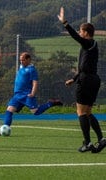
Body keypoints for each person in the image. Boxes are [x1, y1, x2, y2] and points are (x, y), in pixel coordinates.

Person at [58, 7, 106, 153]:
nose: (79, 33)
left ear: (86, 33)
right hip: (93, 79)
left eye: (81, 31)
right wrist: (74, 78)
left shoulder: (88, 43)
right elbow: (84, 66)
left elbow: (76, 37)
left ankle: (88, 143)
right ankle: (102, 139)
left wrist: (65, 23)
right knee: (89, 111)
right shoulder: (93, 45)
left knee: (81, 112)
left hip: (86, 81)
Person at [3, 52, 63, 129]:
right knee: (9, 110)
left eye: (23, 60)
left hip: (26, 94)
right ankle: (5, 129)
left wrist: (32, 93)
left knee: (36, 112)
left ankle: (50, 103)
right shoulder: (21, 66)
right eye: (20, 60)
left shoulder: (32, 70)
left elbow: (35, 82)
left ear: (28, 60)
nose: (21, 62)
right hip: (17, 95)